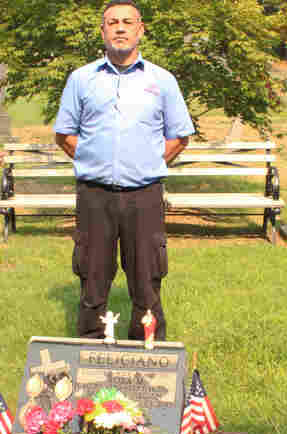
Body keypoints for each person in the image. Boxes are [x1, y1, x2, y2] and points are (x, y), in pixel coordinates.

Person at [53, 0, 195, 341]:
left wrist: (145, 163)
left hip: (144, 197)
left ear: (140, 29)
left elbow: (179, 136)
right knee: (92, 280)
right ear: (102, 31)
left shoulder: (162, 80)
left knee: (147, 283)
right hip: (95, 197)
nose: (120, 28)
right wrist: (94, 162)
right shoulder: (81, 79)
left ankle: (149, 359)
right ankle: (89, 353)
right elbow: (64, 135)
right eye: (112, 22)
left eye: (127, 22)